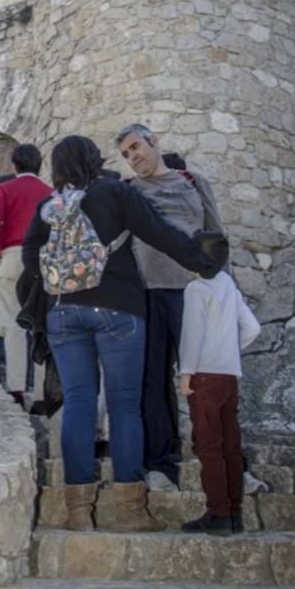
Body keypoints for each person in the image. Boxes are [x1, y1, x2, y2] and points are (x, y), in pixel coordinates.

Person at [23, 135, 218, 532]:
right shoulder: (115, 192)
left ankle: (79, 510)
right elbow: (159, 234)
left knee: (78, 403)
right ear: (96, 160)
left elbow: (30, 258)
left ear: (56, 169)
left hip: (64, 311)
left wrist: (63, 276)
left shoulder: (48, 206)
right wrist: (204, 265)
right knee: (125, 405)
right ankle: (130, 511)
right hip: (119, 309)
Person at [115, 123, 224, 490]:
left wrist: (226, 290)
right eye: (126, 154)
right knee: (152, 381)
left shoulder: (193, 182)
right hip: (144, 295)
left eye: (135, 147)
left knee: (208, 379)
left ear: (154, 141)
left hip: (192, 290)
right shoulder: (127, 191)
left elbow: (217, 236)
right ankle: (160, 464)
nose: (133, 157)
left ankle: (228, 463)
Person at [179, 231, 261, 535]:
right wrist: (229, 350)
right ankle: (235, 513)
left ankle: (218, 513)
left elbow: (192, 335)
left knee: (208, 446)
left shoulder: (196, 290)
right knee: (230, 446)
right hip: (229, 376)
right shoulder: (229, 285)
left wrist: (186, 373)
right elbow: (253, 328)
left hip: (204, 375)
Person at [0, 144, 52, 408]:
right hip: (42, 259)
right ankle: (41, 395)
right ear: (40, 164)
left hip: (11, 255)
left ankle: (15, 388)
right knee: (40, 326)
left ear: (15, 165)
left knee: (13, 325)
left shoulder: (4, 190)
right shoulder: (49, 193)